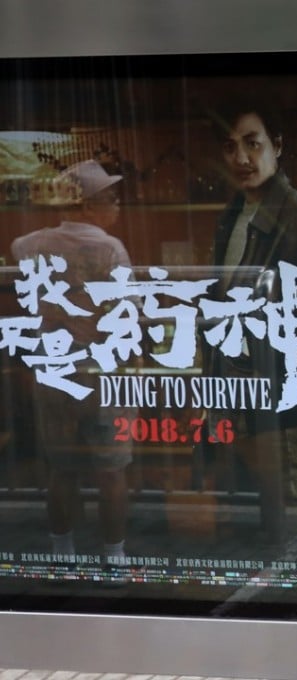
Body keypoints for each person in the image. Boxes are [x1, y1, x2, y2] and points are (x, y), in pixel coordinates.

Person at [209, 97, 297, 537]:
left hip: (281, 402)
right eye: (229, 146)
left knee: (289, 528)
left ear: (276, 146)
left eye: (252, 143)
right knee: (242, 521)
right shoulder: (232, 215)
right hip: (238, 392)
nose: (241, 158)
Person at [11, 159, 133, 570]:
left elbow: (16, 250)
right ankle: (113, 558)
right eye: (110, 199)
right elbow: (128, 310)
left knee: (61, 469)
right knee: (111, 470)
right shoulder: (111, 249)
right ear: (89, 204)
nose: (116, 207)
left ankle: (62, 554)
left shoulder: (31, 244)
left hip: (56, 372)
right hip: (102, 373)